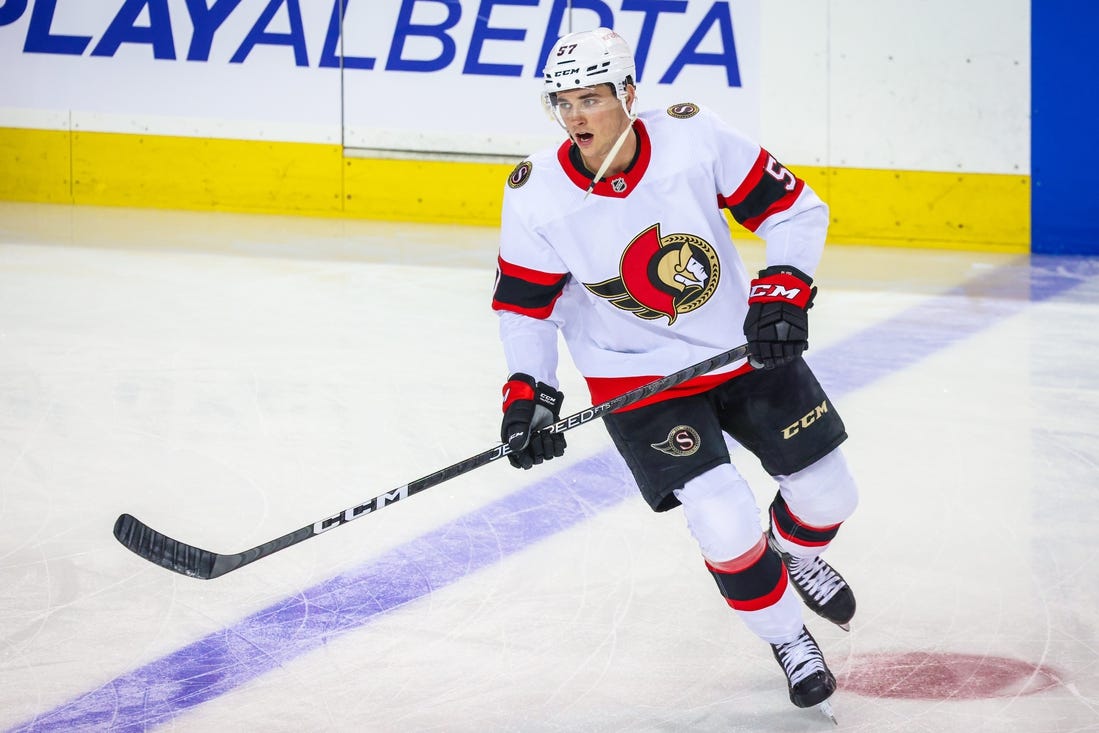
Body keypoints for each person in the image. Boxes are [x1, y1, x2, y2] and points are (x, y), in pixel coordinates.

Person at [490, 27, 858, 720]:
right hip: (637, 382)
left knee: (830, 494)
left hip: (738, 353)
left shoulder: (692, 138)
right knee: (722, 523)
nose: (574, 117)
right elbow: (524, 307)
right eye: (561, 102)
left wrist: (780, 291)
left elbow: (794, 208)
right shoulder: (536, 192)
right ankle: (788, 638)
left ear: (628, 95)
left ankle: (786, 551)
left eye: (590, 99)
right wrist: (528, 396)